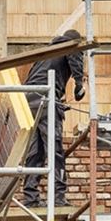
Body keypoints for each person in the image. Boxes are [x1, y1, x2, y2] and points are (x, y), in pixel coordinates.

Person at [19, 31, 86, 209]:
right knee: (54, 149)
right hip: (46, 98)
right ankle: (58, 197)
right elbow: (76, 57)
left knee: (36, 152)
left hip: (28, 102)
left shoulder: (46, 53)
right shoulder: (70, 46)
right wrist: (79, 84)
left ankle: (30, 197)